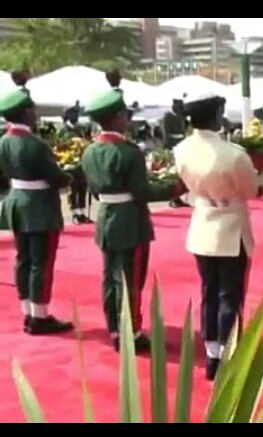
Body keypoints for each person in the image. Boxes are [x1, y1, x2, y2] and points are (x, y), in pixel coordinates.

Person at [173, 92, 263, 380]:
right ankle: (228, 353)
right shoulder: (233, 154)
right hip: (230, 228)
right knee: (229, 297)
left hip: (202, 224)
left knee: (208, 292)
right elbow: (252, 190)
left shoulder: (181, 149)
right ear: (215, 117)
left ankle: (212, 354)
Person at [81, 84, 187, 353]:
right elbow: (143, 192)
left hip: (106, 216)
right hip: (129, 220)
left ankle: (114, 327)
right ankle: (131, 331)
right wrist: (177, 187)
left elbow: (93, 189)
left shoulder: (90, 151)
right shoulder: (128, 152)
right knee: (130, 279)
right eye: (124, 114)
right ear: (117, 117)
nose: (127, 119)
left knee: (110, 277)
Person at [0, 72, 74, 335]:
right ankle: (39, 316)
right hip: (39, 206)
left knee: (23, 259)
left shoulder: (3, 142)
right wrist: (69, 176)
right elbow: (55, 177)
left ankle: (28, 311)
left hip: (16, 202)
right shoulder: (34, 144)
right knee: (41, 262)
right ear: (25, 113)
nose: (35, 113)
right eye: (32, 109)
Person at [58, 104, 92, 224]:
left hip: (80, 165)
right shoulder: (63, 131)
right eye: (73, 114)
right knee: (73, 189)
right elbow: (59, 146)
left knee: (82, 187)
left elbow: (85, 142)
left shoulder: (80, 129)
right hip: (69, 164)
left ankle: (82, 212)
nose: (76, 116)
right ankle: (75, 213)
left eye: (77, 114)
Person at [162, 98, 191, 209]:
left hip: (181, 147)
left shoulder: (181, 118)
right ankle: (173, 198)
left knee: (181, 173)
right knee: (173, 174)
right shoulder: (168, 117)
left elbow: (183, 130)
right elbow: (166, 134)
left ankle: (178, 197)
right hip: (172, 147)